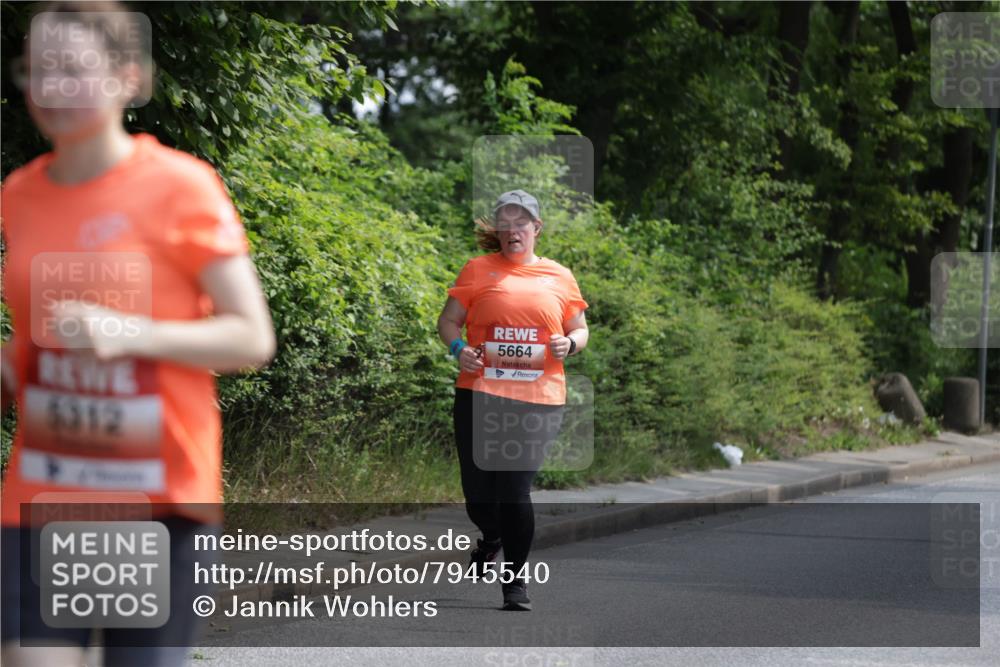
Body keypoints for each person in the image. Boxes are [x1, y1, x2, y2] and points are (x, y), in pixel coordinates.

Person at [0, 3, 276, 665]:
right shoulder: (18, 195)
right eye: (37, 70)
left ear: (128, 76)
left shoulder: (182, 187)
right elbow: (36, 351)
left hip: (158, 504)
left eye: (72, 69)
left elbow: (249, 338)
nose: (51, 87)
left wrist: (130, 332)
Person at [437, 189, 589, 611]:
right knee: (479, 494)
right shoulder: (477, 270)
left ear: (536, 228)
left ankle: (515, 583)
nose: (512, 230)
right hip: (479, 393)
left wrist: (570, 345)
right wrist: (457, 349)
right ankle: (492, 536)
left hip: (538, 398)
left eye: (521, 222)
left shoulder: (559, 276)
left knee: (515, 488)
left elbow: (580, 328)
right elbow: (448, 321)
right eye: (505, 223)